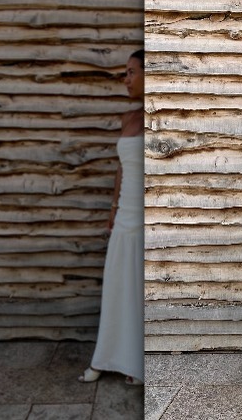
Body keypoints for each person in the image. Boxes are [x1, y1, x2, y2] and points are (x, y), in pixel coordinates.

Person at [78, 50, 145, 386]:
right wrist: (112, 209)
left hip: (145, 214)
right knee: (118, 284)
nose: (126, 79)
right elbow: (120, 169)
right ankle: (105, 356)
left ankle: (138, 361)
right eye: (125, 73)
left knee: (138, 287)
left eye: (132, 72)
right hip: (124, 215)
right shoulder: (127, 117)